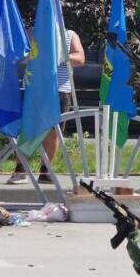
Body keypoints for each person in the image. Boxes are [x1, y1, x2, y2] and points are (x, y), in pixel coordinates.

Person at [37, 28, 85, 183]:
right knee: (27, 128)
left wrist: (60, 56)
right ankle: (20, 169)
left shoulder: (70, 34)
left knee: (53, 132)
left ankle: (45, 170)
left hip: (60, 89)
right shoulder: (34, 30)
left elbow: (80, 58)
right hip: (35, 88)